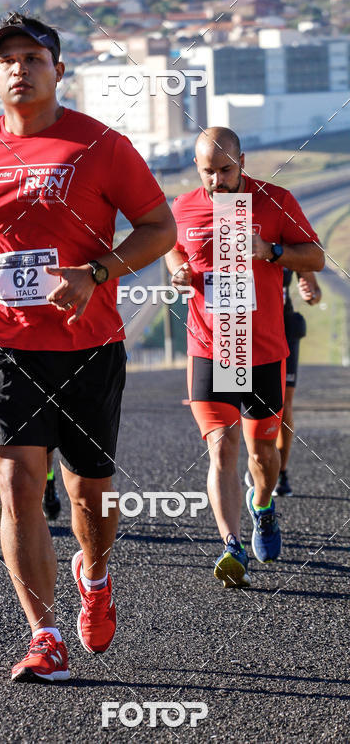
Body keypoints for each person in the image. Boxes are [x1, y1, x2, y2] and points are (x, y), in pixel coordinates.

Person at [0, 12, 176, 681]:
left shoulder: (101, 146)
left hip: (88, 344)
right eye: (6, 59)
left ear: (58, 71)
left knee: (89, 493)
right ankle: (45, 634)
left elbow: (159, 227)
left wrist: (95, 274)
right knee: (16, 484)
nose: (19, 68)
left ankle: (94, 572)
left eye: (33, 57)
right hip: (1, 344)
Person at [167, 127, 324, 588]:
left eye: (225, 170)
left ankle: (263, 505)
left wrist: (272, 251)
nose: (216, 180)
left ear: (243, 161)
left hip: (261, 351)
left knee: (262, 457)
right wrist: (177, 268)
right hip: (208, 347)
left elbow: (314, 257)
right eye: (207, 172)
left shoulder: (275, 201)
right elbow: (171, 247)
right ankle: (231, 545)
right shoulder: (185, 206)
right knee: (223, 447)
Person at [245, 269, 322, 497]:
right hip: (236, 328)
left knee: (283, 403)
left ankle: (280, 471)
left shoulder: (285, 234)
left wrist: (311, 294)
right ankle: (252, 460)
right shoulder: (224, 233)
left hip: (282, 328)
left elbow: (315, 292)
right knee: (235, 399)